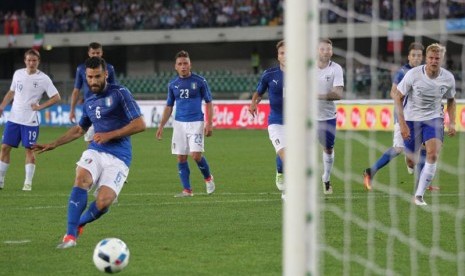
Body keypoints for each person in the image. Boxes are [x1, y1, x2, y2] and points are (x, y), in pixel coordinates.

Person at [32, 57, 146, 248]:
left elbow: (140, 124)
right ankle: (70, 236)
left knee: (103, 202)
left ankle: (79, 224)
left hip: (120, 157)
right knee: (82, 179)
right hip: (96, 150)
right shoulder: (90, 101)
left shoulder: (120, 93)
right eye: (90, 77)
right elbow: (79, 129)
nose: (93, 81)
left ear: (106, 74)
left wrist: (110, 134)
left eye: (97, 76)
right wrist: (54, 144)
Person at [363, 42, 439, 191]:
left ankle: (422, 183)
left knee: (425, 146)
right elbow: (393, 92)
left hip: (420, 116)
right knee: (398, 148)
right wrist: (403, 99)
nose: (416, 58)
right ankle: (370, 172)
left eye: (419, 55)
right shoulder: (403, 72)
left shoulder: (425, 72)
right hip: (404, 116)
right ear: (409, 57)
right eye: (413, 55)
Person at [393, 43, 456, 206]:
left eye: (437, 58)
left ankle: (419, 196)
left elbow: (451, 100)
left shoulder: (448, 78)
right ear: (426, 58)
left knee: (433, 154)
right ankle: (411, 161)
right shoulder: (413, 74)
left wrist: (452, 122)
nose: (434, 61)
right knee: (411, 161)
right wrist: (402, 124)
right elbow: (397, 97)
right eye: (431, 58)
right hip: (411, 120)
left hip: (434, 119)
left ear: (442, 59)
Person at [156, 50, 215, 197]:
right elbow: (169, 106)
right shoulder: (173, 85)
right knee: (181, 157)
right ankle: (187, 190)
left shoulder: (200, 81)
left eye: (185, 63)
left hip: (196, 122)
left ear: (190, 65)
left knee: (195, 155)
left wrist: (209, 123)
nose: (183, 66)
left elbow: (209, 102)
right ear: (175, 66)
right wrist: (161, 126)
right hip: (179, 124)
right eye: (180, 64)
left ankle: (208, 178)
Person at [0, 48, 61, 191]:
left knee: (29, 150)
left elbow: (56, 97)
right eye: (28, 60)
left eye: (34, 60)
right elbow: (12, 91)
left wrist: (40, 107)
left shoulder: (44, 78)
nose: (31, 63)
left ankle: (27, 183)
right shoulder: (18, 74)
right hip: (14, 119)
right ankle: (1, 180)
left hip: (30, 122)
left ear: (38, 62)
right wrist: (2, 105)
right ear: (25, 61)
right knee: (4, 148)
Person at [249, 40, 285, 199]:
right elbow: (258, 92)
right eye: (282, 53)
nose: (286, 55)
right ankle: (288, 193)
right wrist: (253, 103)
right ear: (278, 56)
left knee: (285, 154)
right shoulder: (269, 74)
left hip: (296, 124)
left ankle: (280, 171)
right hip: (276, 122)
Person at [69, 42, 117, 144]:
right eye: (93, 53)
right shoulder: (81, 69)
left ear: (102, 53)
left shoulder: (109, 68)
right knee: (89, 140)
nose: (95, 55)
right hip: (90, 107)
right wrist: (72, 110)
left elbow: (113, 89)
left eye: (98, 53)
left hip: (105, 107)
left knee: (106, 138)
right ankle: (93, 158)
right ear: (89, 53)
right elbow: (76, 90)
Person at [317, 38, 344, 194]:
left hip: (327, 116)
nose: (327, 52)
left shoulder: (336, 69)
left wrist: (314, 96)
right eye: (323, 49)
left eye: (329, 49)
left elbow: (338, 94)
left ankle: (326, 178)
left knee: (328, 148)